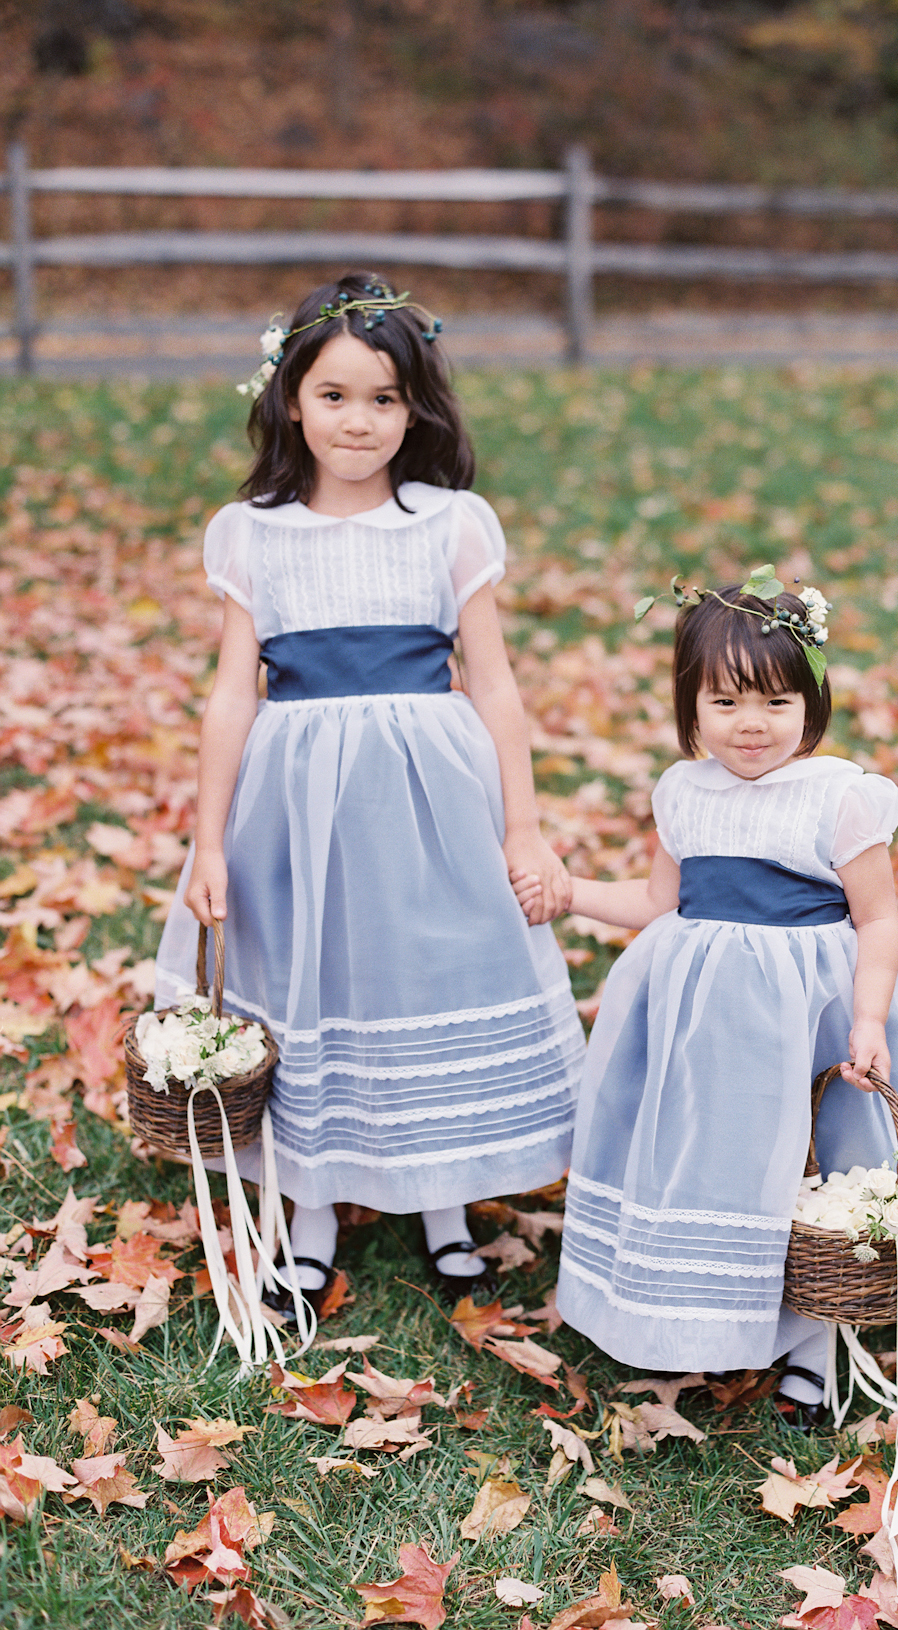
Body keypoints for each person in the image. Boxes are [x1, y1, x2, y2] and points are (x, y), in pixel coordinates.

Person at [153, 272, 585, 1319]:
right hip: (295, 802)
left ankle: (443, 1201)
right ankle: (306, 1206)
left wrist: (520, 824)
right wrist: (209, 842)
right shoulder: (254, 533)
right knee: (316, 983)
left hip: (429, 793)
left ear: (416, 408)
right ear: (291, 398)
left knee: (427, 973)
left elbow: (492, 681)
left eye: (384, 398)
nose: (359, 419)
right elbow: (228, 697)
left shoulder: (448, 526)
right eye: (336, 394)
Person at [513, 574, 898, 1430]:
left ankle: (811, 1345)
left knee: (807, 1165)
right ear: (691, 708)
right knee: (727, 1159)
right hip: (706, 1026)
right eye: (724, 700)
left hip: (809, 1015)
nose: (751, 722)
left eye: (775, 699)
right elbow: (664, 905)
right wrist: (573, 890)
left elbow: (876, 920)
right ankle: (718, 1313)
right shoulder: (684, 794)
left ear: (813, 701)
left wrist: (868, 1017)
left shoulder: (839, 797)